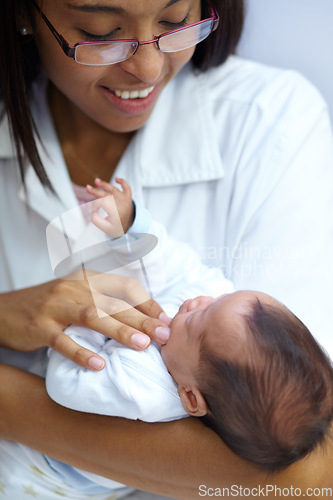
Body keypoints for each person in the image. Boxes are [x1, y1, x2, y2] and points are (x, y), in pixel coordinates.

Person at [1, 0, 333, 498]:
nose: (148, 67)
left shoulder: (271, 121)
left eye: (176, 23)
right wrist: (135, 226)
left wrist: (63, 355)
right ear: (24, 14)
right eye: (101, 32)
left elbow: (304, 475)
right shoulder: (202, 311)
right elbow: (181, 268)